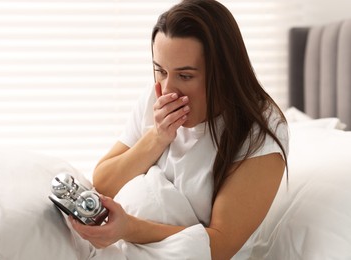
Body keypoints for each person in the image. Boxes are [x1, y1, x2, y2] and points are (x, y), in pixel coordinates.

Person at [70, 0, 289, 259]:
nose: (168, 89)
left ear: (224, 73)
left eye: (185, 76)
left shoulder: (258, 130)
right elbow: (104, 183)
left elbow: (220, 245)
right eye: (160, 70)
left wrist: (129, 228)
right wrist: (157, 138)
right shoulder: (154, 99)